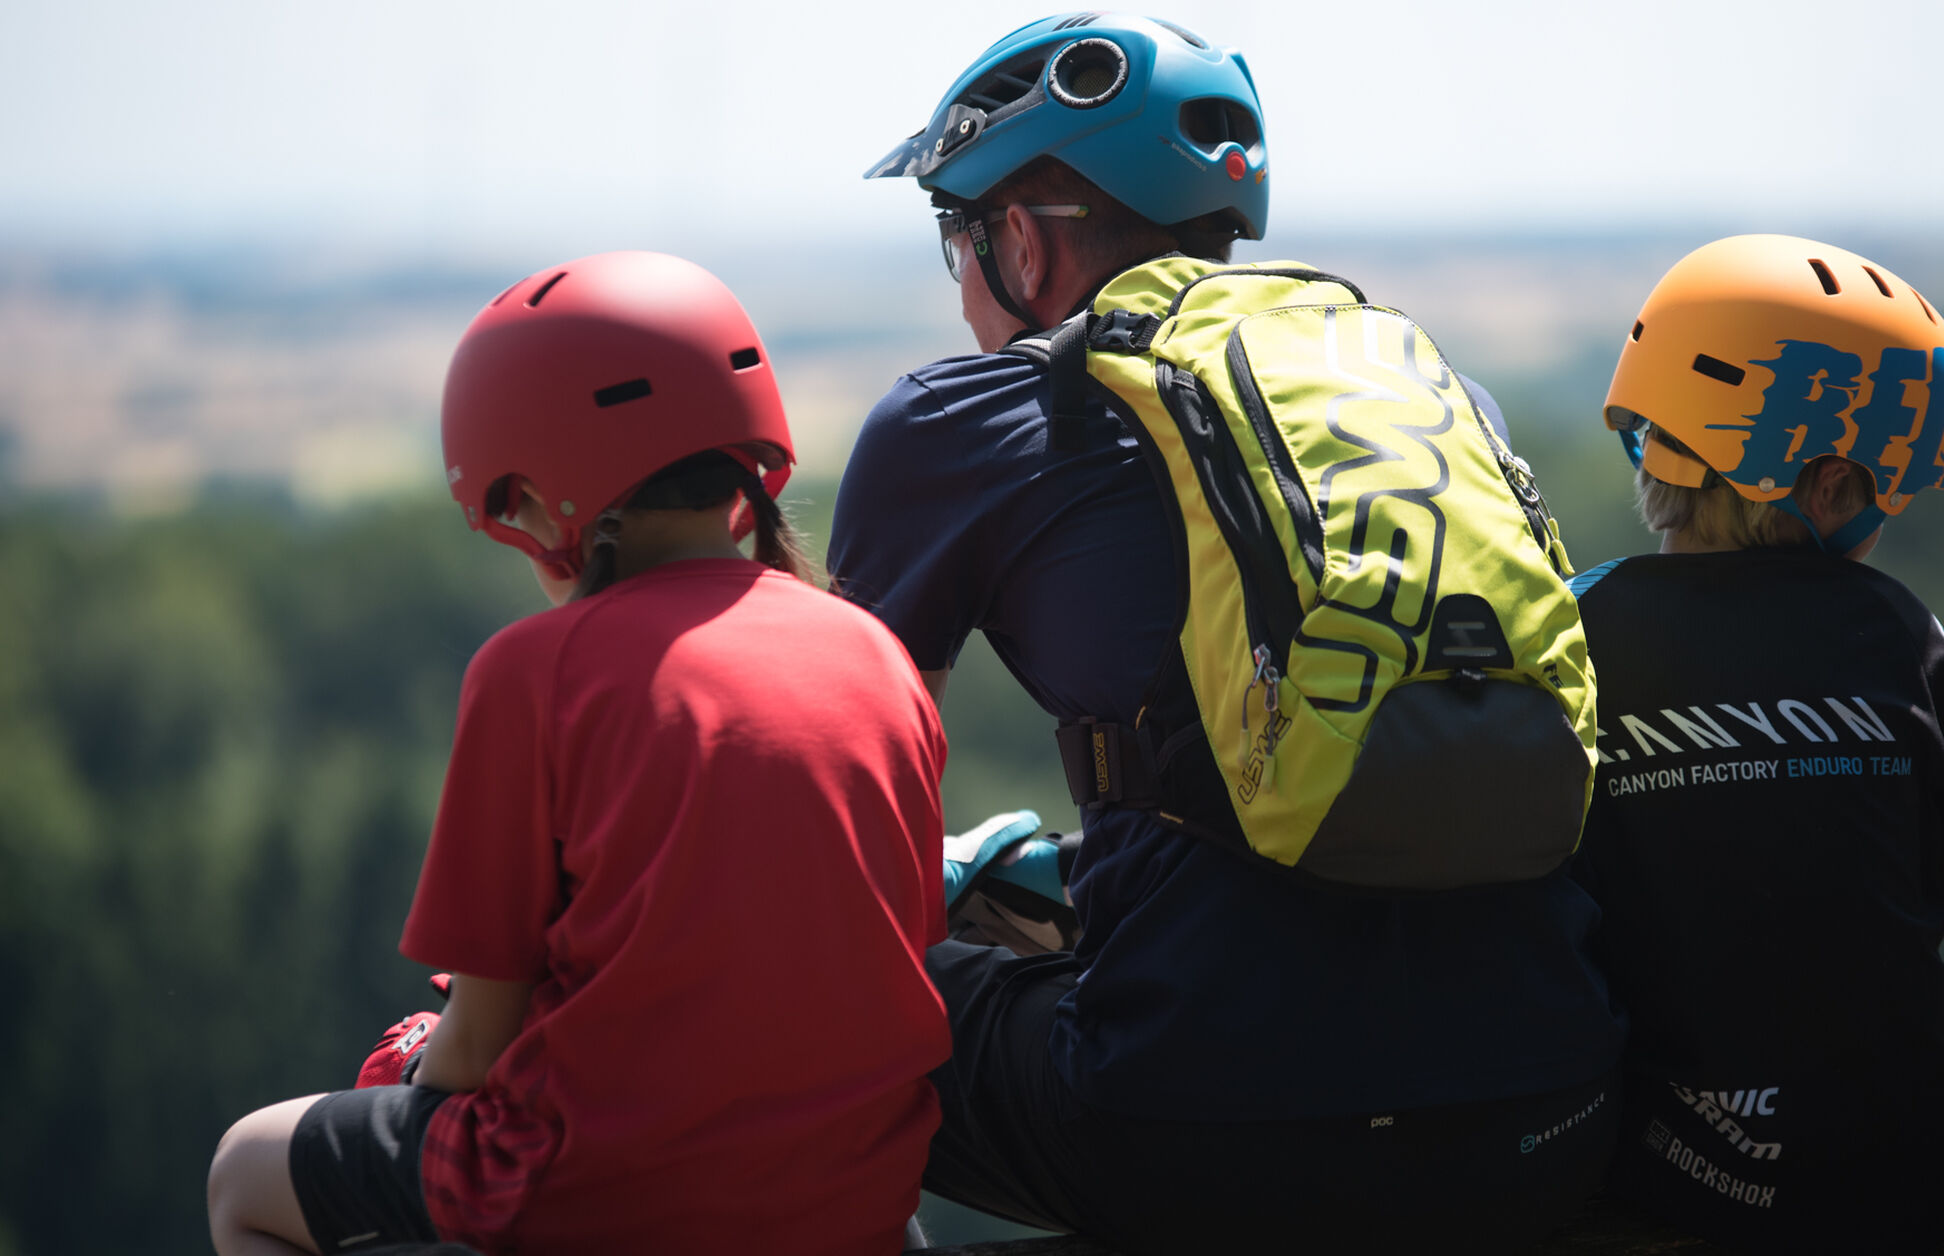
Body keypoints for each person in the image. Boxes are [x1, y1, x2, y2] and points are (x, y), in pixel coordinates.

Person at [833, 14, 1622, 1251]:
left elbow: (817, 784)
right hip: (1549, 1115)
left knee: (818, 1008)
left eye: (958, 240)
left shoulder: (965, 419)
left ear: (1023, 241)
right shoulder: (1433, 396)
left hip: (1208, 1140)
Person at [206, 250, 951, 1256]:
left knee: (247, 1166)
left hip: (599, 1191)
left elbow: (471, 1050)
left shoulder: (535, 670)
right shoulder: (874, 652)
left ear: (557, 494)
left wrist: (421, 1069)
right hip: (853, 1198)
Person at [1568, 234, 1944, 1254]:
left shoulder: (1572, 633)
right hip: (1907, 1179)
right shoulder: (1891, 631)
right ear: (1824, 486)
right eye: (1881, 487)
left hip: (1665, 1177)